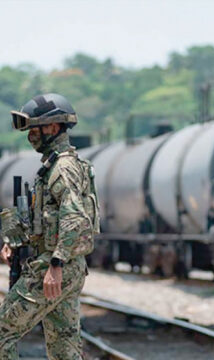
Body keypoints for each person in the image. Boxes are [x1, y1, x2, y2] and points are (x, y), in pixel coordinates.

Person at [0, 93, 100, 359]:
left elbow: (74, 216)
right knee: (64, 347)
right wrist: (15, 242)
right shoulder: (58, 165)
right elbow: (48, 218)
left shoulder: (62, 168)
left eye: (35, 128)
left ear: (54, 128)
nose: (30, 135)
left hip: (54, 267)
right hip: (70, 267)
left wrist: (55, 265)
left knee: (2, 332)